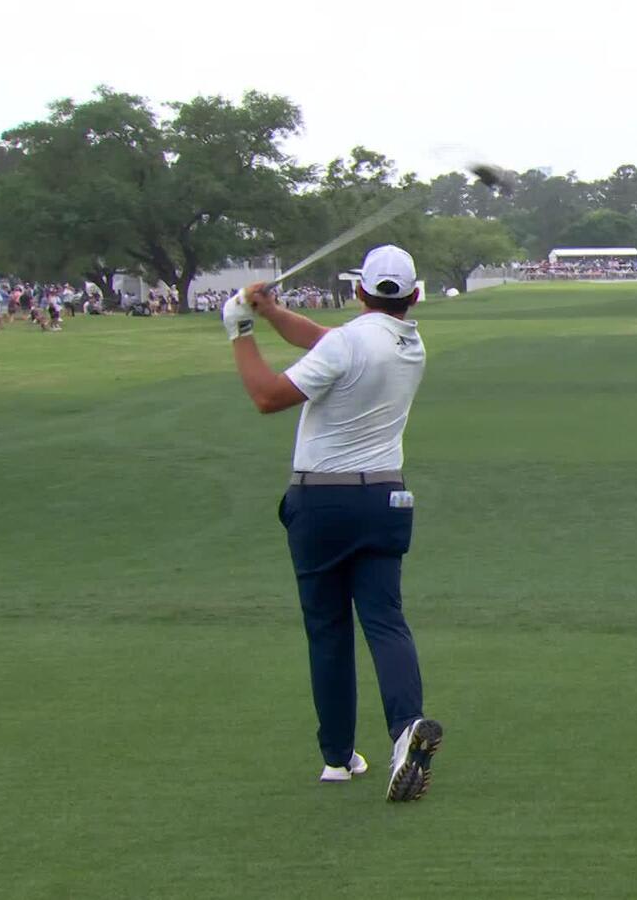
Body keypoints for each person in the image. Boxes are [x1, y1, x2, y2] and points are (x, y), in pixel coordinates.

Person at [222, 244, 442, 802]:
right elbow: (325, 340)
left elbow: (268, 397)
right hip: (385, 499)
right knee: (385, 621)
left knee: (328, 629)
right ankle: (403, 730)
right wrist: (272, 313)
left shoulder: (347, 343)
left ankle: (338, 759)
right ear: (414, 297)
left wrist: (240, 331)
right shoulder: (410, 345)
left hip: (321, 503)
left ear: (357, 291)